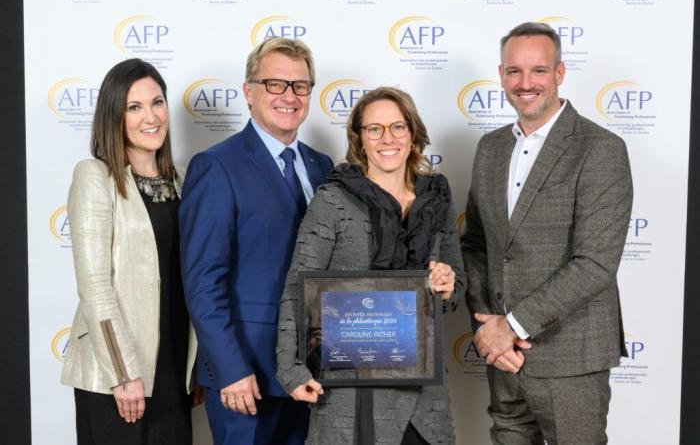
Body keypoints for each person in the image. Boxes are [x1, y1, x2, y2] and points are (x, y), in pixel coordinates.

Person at [461, 22, 633, 445]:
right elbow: (477, 244)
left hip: (571, 356)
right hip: (504, 360)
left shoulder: (599, 149)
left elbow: (594, 263)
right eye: (514, 71)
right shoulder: (491, 148)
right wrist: (490, 328)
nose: (526, 83)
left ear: (559, 73)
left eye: (538, 70)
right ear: (501, 75)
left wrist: (512, 327)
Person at [276, 87, 467, 445]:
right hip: (351, 387)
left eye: (397, 127)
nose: (387, 138)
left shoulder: (436, 198)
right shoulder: (333, 200)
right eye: (374, 129)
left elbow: (456, 289)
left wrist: (447, 283)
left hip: (424, 394)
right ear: (360, 140)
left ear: (413, 135)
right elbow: (296, 287)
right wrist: (290, 368)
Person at [179, 37, 333, 445]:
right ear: (249, 92)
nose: (289, 96)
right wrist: (229, 369)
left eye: (300, 86)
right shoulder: (216, 166)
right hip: (246, 376)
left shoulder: (322, 166)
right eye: (275, 84)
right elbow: (202, 283)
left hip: (311, 372)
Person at [61, 58, 199, 445]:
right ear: (114, 116)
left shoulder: (183, 180)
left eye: (157, 102)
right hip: (116, 374)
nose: (150, 116)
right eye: (134, 107)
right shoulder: (96, 178)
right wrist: (123, 373)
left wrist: (195, 370)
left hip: (172, 367)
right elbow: (94, 287)